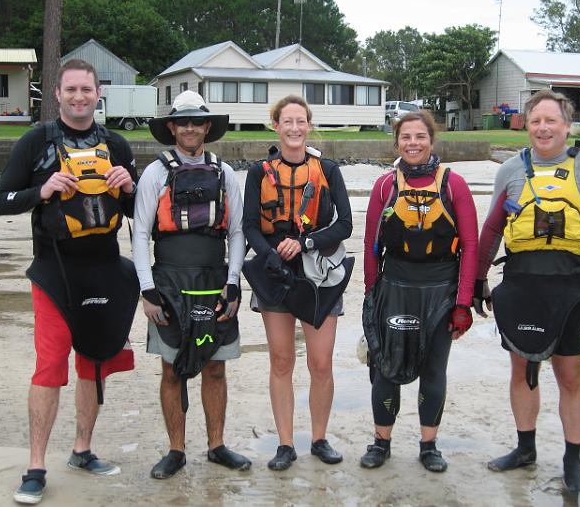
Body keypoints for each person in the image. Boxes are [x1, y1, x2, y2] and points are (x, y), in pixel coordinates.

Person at [0, 59, 139, 505]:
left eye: (86, 90)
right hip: (54, 270)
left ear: (99, 94)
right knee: (50, 367)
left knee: (94, 364)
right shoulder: (36, 141)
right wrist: (42, 190)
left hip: (106, 267)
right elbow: (1, 201)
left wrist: (130, 187)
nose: (79, 97)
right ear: (56, 94)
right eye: (70, 90)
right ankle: (35, 466)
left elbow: (139, 215)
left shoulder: (115, 144)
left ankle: (82, 450)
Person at [474, 89, 580, 492]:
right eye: (535, 121)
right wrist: (478, 281)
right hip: (522, 283)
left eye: (551, 121)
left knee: (570, 374)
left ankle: (572, 459)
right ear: (526, 126)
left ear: (567, 126)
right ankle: (525, 447)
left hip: (572, 287)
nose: (543, 128)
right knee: (522, 371)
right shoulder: (510, 171)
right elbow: (492, 229)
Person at [132, 90, 251, 478]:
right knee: (171, 370)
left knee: (216, 367)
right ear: (171, 127)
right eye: (182, 122)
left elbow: (236, 232)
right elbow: (139, 235)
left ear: (206, 127)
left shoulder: (225, 173)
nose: (189, 128)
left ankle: (216, 446)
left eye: (196, 122)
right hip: (168, 282)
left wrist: (233, 284)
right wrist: (147, 289)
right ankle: (176, 450)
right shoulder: (154, 173)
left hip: (214, 280)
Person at [360, 110, 478, 470]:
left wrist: (462, 304)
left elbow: (471, 245)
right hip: (393, 287)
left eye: (420, 137)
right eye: (406, 137)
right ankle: (382, 442)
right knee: (385, 367)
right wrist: (371, 296)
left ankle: (429, 446)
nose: (413, 143)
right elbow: (369, 244)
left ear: (431, 140)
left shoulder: (453, 184)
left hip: (440, 291)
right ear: (397, 142)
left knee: (433, 369)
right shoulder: (385, 186)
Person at [242, 95, 353, 470]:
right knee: (281, 360)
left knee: (321, 363)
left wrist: (305, 242)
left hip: (319, 271)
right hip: (274, 272)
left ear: (309, 124)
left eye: (300, 121)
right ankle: (286, 444)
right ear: (276, 125)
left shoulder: (329, 170)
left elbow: (345, 225)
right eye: (286, 121)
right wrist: (271, 255)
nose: (293, 128)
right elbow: (250, 226)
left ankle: (320, 438)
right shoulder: (260, 172)